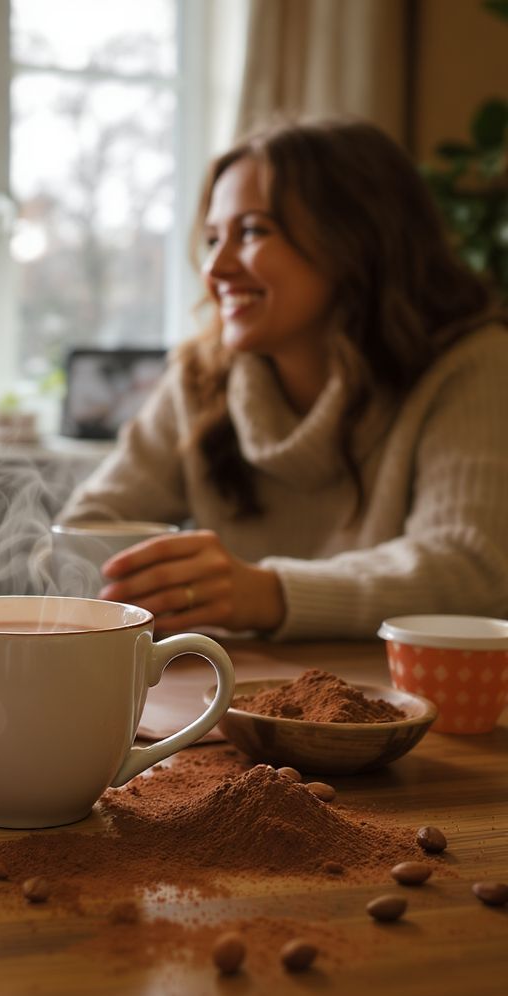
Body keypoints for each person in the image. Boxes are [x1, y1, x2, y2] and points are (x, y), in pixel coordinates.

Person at [57, 118, 508, 641]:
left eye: (251, 232)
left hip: (402, 707)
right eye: (211, 239)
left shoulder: (474, 364)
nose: (216, 269)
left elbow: (470, 566)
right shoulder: (201, 377)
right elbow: (88, 529)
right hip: (231, 698)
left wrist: (265, 593)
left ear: (358, 238)